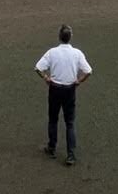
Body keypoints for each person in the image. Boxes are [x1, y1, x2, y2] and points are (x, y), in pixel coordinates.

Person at [34, 25, 92, 166]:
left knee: (53, 119)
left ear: (59, 37)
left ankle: (52, 147)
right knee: (70, 123)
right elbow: (88, 71)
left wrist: (46, 78)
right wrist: (79, 81)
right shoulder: (77, 53)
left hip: (54, 88)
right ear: (70, 37)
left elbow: (38, 68)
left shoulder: (52, 52)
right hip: (70, 90)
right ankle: (71, 155)